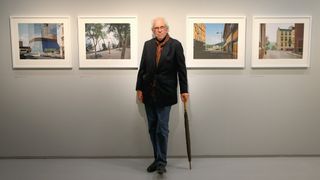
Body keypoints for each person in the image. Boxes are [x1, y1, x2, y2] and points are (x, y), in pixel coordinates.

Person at [136, 17, 189, 174]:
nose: (159, 30)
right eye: (155, 28)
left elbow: (182, 70)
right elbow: (142, 68)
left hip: (165, 94)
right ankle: (157, 159)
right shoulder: (148, 45)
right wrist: (139, 88)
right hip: (148, 94)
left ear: (167, 29)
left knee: (162, 129)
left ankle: (162, 162)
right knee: (152, 128)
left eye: (161, 27)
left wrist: (184, 90)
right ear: (153, 30)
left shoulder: (176, 45)